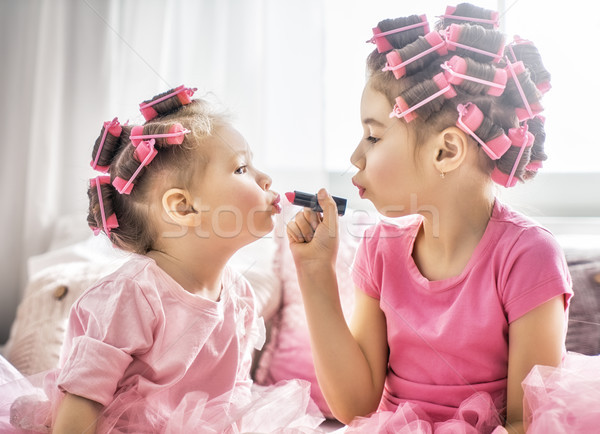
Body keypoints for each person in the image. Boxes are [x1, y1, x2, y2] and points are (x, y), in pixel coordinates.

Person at [287, 3, 574, 433]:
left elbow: (526, 424)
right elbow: (355, 407)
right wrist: (315, 273)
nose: (355, 156)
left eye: (373, 135)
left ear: (446, 151)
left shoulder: (528, 257)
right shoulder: (378, 250)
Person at [1, 86, 323, 433]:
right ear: (183, 207)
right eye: (242, 168)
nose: (266, 179)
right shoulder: (133, 295)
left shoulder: (241, 295)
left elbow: (234, 397)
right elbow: (81, 402)